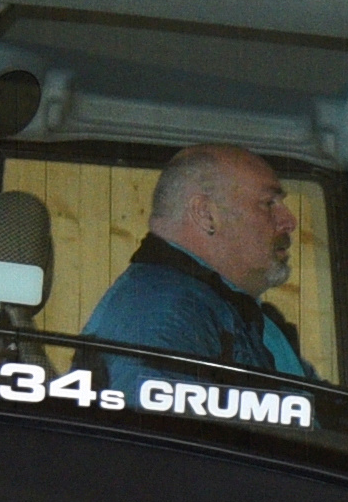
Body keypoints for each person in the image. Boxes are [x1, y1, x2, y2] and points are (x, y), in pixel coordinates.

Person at [82, 146, 318, 390]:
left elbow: (317, 411)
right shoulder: (166, 312)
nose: (289, 221)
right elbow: (162, 425)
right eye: (269, 203)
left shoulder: (247, 315)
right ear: (206, 215)